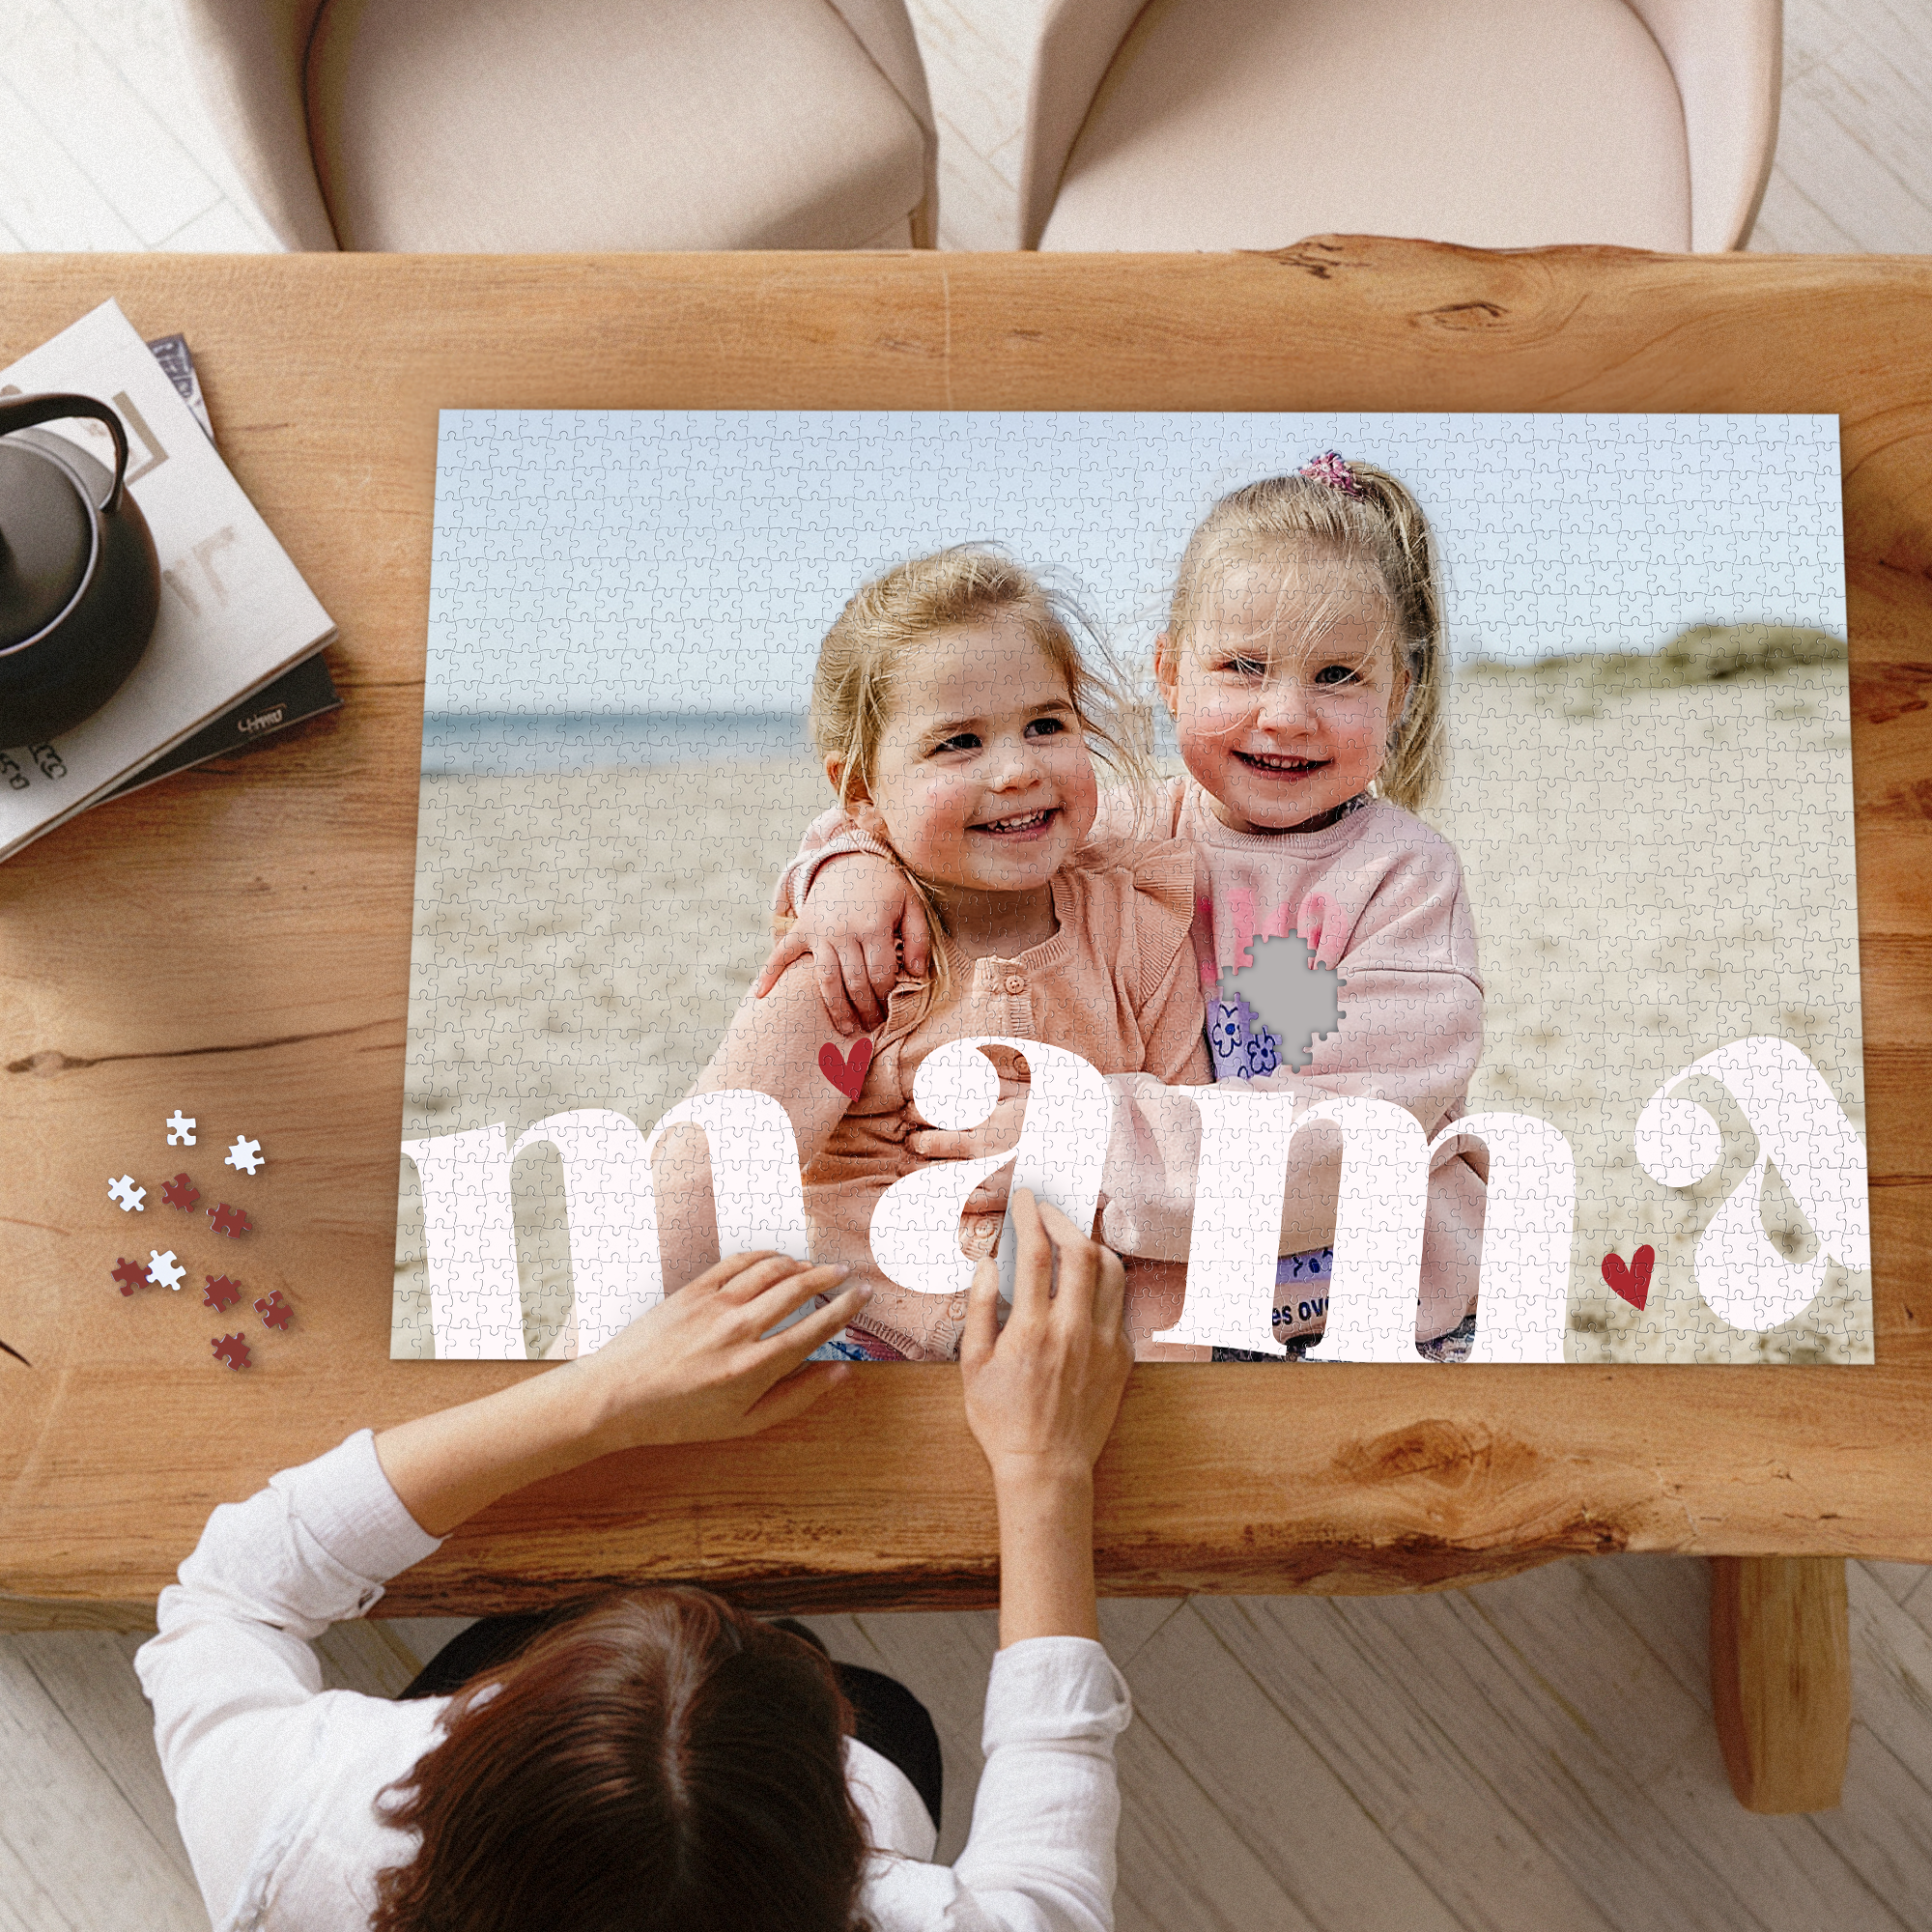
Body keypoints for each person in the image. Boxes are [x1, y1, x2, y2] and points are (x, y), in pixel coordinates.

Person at [136, 1190, 1138, 1932]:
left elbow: (227, 1596)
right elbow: (1049, 1894)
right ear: (849, 1870)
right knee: (891, 1723)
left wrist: (601, 1394)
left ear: (447, 1781)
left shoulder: (285, 1834)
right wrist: (1045, 1468)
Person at [758, 455, 1487, 1360]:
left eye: (1338, 675)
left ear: (1399, 694)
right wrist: (848, 868)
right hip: (1163, 1288)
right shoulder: (1128, 827)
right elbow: (936, 821)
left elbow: (1364, 1134)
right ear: (1170, 675)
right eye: (1243, 667)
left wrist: (1077, 1145)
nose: (1287, 714)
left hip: (1367, 1295)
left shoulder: (1404, 877)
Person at [646, 544, 1210, 1364]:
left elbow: (1182, 1191)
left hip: (1066, 1365)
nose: (1016, 770)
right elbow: (705, 1178)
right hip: (863, 1345)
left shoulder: (1139, 936)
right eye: (958, 743)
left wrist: (1165, 1392)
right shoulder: (856, 958)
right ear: (861, 794)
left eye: (1046, 725)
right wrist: (573, 1387)